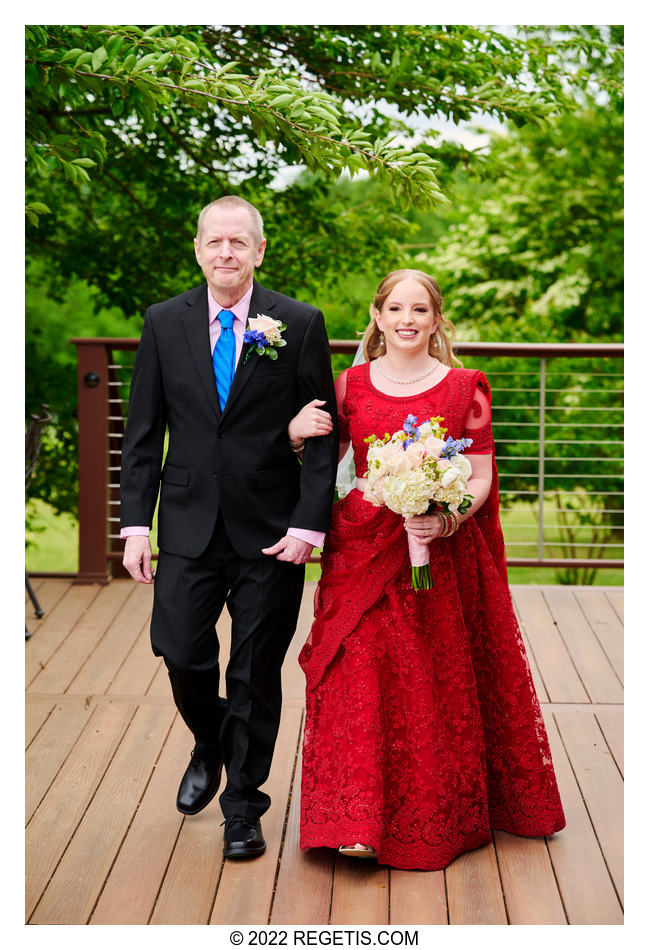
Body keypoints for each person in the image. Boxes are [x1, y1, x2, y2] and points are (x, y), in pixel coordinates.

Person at [290, 268, 566, 870]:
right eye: (396, 309)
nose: (407, 320)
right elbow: (323, 466)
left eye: (420, 310)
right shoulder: (350, 385)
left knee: (423, 679)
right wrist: (292, 437)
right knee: (353, 670)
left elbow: (481, 476)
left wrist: (446, 519)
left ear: (437, 319)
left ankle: (428, 811)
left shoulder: (466, 387)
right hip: (360, 546)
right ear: (378, 316)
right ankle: (352, 821)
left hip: (435, 552)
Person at [119, 196, 338, 860]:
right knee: (180, 650)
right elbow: (142, 433)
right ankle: (210, 739)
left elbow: (324, 434)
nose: (225, 253)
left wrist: (308, 525)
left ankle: (243, 807)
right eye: (214, 242)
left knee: (253, 673)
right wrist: (135, 525)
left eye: (238, 242)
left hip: (270, 532)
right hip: (185, 527)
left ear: (258, 251)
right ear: (197, 249)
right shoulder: (163, 322)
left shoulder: (296, 324)